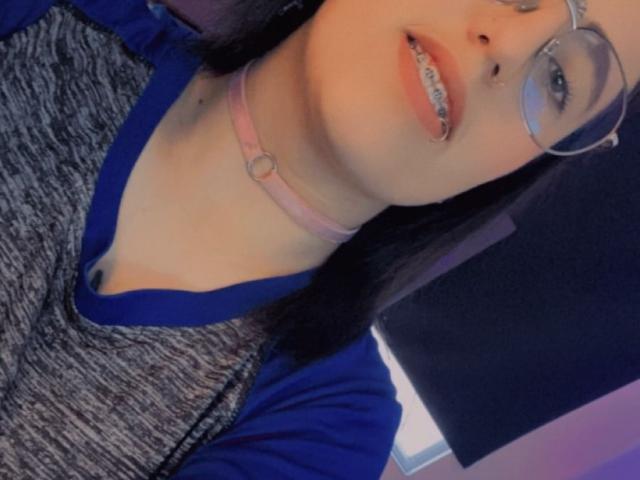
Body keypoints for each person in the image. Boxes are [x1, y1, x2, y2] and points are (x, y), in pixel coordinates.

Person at [0, 0, 638, 478]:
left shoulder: (326, 425)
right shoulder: (43, 18)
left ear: (519, 166)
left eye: (560, 82)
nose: (511, 44)